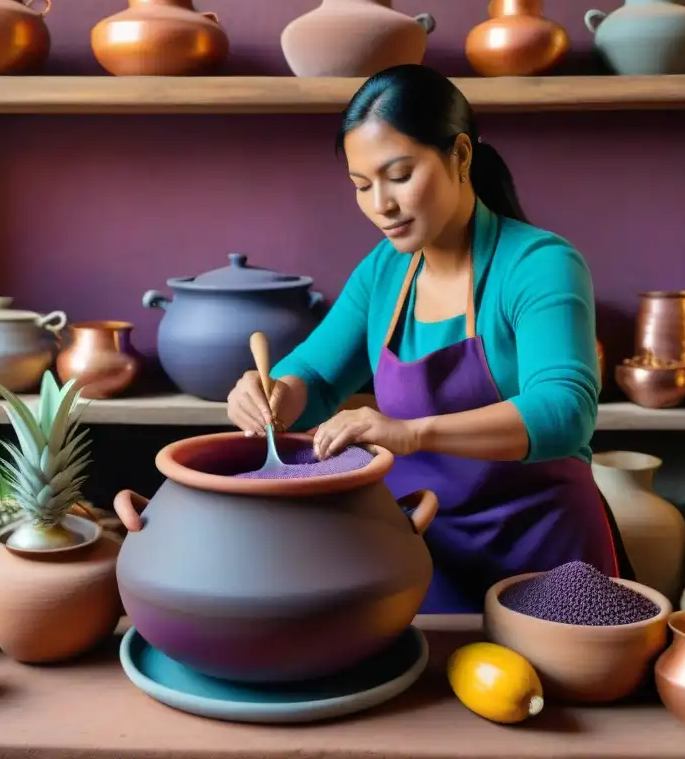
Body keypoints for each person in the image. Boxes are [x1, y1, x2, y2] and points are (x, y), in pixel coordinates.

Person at [226, 63, 633, 613]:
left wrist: (409, 433)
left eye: (399, 175)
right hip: (422, 549)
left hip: (545, 553)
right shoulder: (385, 273)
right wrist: (272, 394)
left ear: (460, 156)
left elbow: (565, 411)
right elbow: (318, 378)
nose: (381, 205)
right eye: (361, 186)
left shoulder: (539, 264)